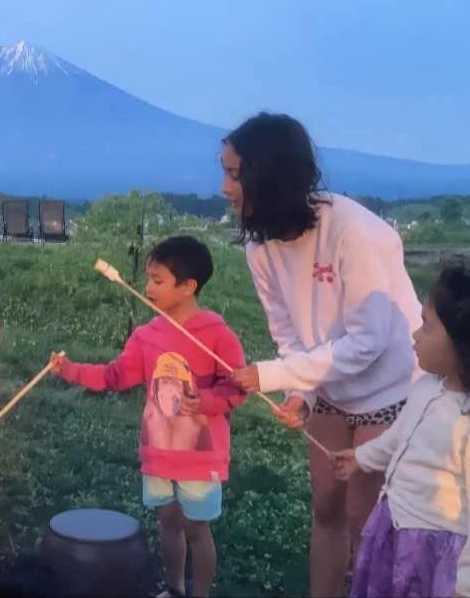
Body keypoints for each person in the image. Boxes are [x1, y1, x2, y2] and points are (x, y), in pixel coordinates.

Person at [223, 112, 423, 597]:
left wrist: (271, 375)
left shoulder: (354, 232)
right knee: (327, 508)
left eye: (234, 174)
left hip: (391, 385)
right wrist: (300, 395)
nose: (225, 188)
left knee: (364, 516)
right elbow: (290, 337)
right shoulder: (261, 249)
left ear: (266, 177)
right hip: (332, 386)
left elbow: (368, 340)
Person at [51, 236, 247, 598]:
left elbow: (236, 388)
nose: (148, 288)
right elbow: (114, 376)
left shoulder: (217, 336)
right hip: (158, 453)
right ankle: (173, 588)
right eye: (148, 279)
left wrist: (204, 401)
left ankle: (200, 594)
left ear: (188, 287)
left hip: (199, 456)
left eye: (158, 280)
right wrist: (70, 370)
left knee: (196, 528)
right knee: (168, 523)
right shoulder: (147, 336)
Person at [333, 264, 470, 598]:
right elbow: (399, 438)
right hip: (392, 526)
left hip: (434, 551)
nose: (415, 334)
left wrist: (464, 584)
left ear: (460, 344)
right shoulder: (426, 386)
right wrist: (362, 457)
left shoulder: (464, 421)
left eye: (427, 326)